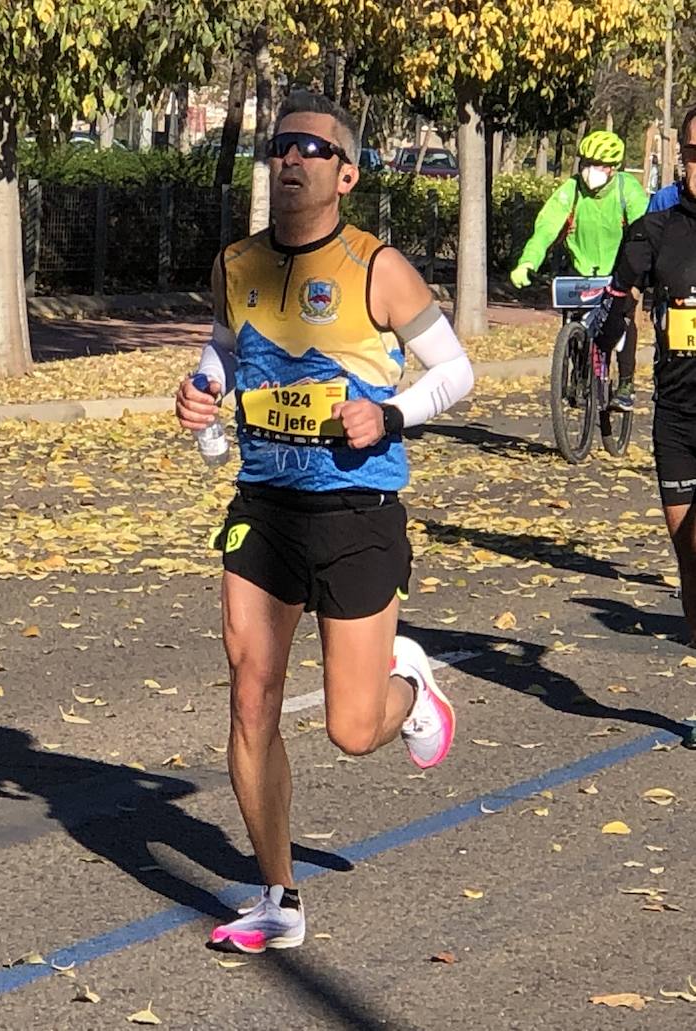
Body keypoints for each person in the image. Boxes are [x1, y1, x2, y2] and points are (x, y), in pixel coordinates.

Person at [173, 91, 475, 953]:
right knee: (250, 691)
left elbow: (454, 372)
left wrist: (392, 413)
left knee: (350, 728)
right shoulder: (238, 262)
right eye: (281, 147)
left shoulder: (377, 267)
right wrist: (202, 397)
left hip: (357, 508)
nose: (291, 158)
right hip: (265, 505)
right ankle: (277, 893)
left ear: (346, 173)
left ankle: (411, 685)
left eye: (311, 147)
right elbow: (225, 351)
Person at [595, 107, 696, 748]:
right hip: (679, 418)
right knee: (690, 564)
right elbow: (617, 303)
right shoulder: (654, 231)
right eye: (693, 151)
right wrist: (599, 354)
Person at [510, 130, 649, 412]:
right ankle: (578, 369)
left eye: (598, 165)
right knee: (575, 320)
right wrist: (528, 261)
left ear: (612, 169)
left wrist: (641, 273)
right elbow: (547, 226)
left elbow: (643, 231)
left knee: (624, 316)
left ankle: (625, 384)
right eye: (586, 163)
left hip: (621, 271)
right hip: (581, 270)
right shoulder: (571, 190)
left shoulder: (628, 190)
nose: (589, 171)